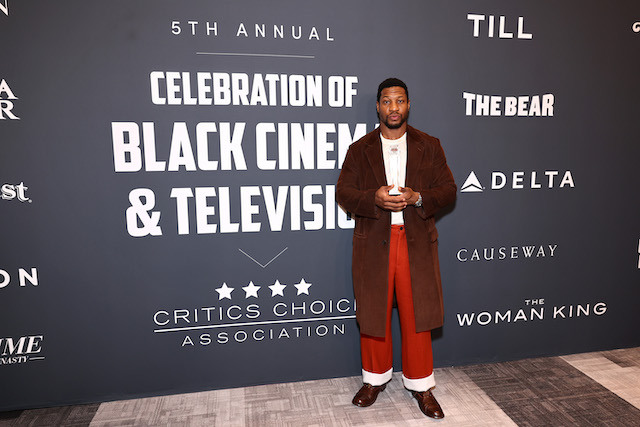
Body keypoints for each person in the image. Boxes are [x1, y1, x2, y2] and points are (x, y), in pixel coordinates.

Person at [336, 78, 456, 419]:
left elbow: (448, 190)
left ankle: (421, 386)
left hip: (415, 241)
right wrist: (372, 198)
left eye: (399, 101)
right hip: (375, 242)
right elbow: (343, 192)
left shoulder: (429, 145)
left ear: (408, 105)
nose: (393, 108)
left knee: (418, 314)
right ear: (378, 106)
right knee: (374, 312)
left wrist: (418, 198)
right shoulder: (359, 149)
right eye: (387, 101)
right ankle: (374, 380)